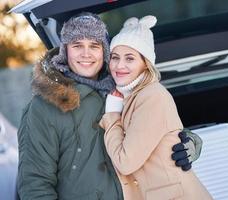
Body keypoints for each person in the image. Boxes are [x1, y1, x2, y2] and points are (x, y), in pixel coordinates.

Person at [17, 12, 203, 200]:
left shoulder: (124, 87)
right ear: (65, 51)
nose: (86, 53)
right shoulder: (45, 107)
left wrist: (189, 143)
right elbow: (34, 183)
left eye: (94, 46)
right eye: (77, 45)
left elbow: (157, 127)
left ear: (104, 51)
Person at [100, 15, 212, 200]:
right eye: (115, 58)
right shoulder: (129, 96)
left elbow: (125, 162)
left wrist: (112, 115)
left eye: (130, 58)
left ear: (146, 63)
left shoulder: (151, 96)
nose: (119, 65)